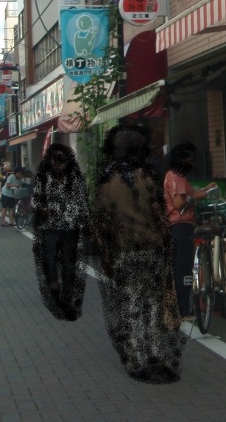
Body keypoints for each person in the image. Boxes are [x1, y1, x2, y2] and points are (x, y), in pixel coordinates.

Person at [92, 124, 180, 384]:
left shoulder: (107, 185)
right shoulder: (148, 179)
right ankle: (156, 353)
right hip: (152, 249)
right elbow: (161, 215)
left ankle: (136, 358)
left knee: (131, 304)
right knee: (153, 302)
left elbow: (100, 224)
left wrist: (105, 255)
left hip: (124, 252)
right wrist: (168, 244)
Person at [32, 143, 88, 321]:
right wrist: (43, 208)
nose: (58, 165)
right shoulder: (43, 178)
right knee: (49, 261)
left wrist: (86, 223)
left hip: (70, 227)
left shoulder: (75, 179)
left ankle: (67, 299)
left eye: (62, 161)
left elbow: (82, 203)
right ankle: (54, 289)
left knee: (68, 264)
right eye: (55, 161)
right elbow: (34, 200)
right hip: (49, 226)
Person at [164, 143, 217, 324]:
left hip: (176, 226)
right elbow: (179, 203)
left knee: (180, 267)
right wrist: (196, 196)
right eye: (188, 158)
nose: (191, 162)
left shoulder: (175, 176)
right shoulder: (176, 176)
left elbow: (188, 194)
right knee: (183, 268)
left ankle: (179, 308)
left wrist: (205, 190)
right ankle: (183, 310)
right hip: (180, 225)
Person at [0, 161, 15, 226]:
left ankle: (10, 221)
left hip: (10, 192)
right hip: (5, 191)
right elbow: (1, 181)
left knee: (10, 208)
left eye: (9, 166)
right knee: (5, 207)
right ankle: (4, 222)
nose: (9, 167)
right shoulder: (3, 173)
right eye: (7, 166)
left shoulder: (12, 173)